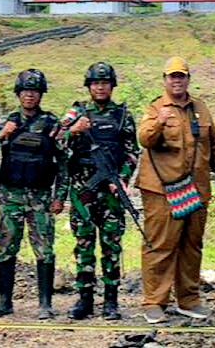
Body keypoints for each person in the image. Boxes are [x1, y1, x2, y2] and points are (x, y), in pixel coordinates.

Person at [136, 56, 215, 324]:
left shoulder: (201, 107)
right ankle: (154, 302)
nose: (177, 80)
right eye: (172, 76)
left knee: (191, 245)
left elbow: (213, 142)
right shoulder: (155, 108)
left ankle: (188, 299)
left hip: (196, 188)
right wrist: (159, 122)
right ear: (164, 80)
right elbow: (144, 139)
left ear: (188, 79)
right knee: (161, 245)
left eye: (181, 76)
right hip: (162, 189)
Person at [59, 61, 138, 320]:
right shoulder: (76, 112)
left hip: (111, 190)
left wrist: (123, 178)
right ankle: (84, 299)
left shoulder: (123, 115)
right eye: (96, 83)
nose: (100, 87)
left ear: (112, 86)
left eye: (105, 83)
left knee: (111, 245)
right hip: (83, 189)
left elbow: (131, 152)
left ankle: (111, 301)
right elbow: (54, 140)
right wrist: (73, 131)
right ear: (89, 86)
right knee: (83, 244)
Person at [0, 69, 65, 319]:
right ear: (18, 94)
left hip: (40, 198)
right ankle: (5, 301)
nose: (30, 96)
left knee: (45, 250)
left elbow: (63, 163)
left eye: (34, 91)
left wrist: (59, 196)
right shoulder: (5, 122)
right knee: (6, 248)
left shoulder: (52, 123)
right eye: (25, 91)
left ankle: (45, 304)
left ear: (41, 94)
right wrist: (2, 134)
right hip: (11, 197)